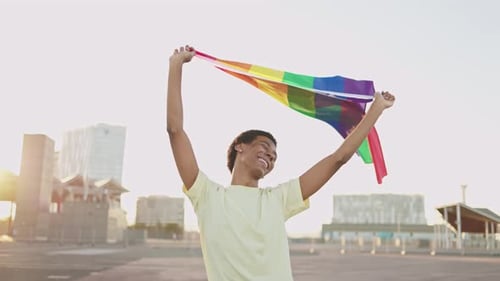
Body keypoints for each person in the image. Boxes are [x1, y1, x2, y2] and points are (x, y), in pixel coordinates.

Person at [167, 45, 396, 281]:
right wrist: (176, 66)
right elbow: (175, 130)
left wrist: (375, 110)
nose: (270, 156)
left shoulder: (278, 199)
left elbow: (338, 159)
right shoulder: (207, 195)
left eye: (274, 156)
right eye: (264, 147)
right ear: (240, 146)